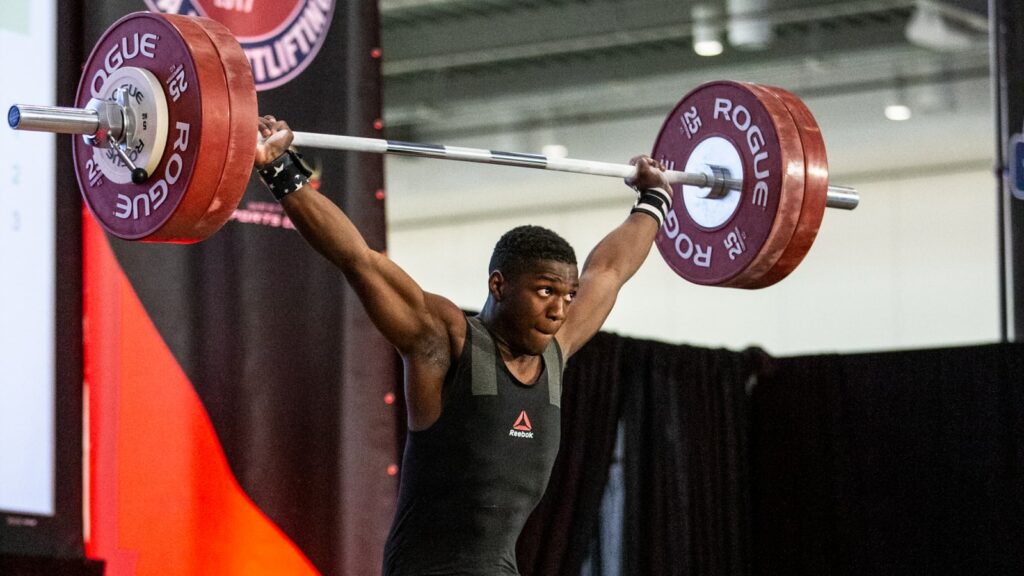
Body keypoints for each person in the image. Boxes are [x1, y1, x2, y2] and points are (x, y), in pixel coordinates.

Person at [254, 115, 674, 575]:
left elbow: (609, 271)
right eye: (545, 291)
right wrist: (279, 166)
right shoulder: (446, 340)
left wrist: (653, 197)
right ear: (499, 285)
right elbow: (360, 261)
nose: (559, 308)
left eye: (567, 294)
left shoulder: (558, 346)